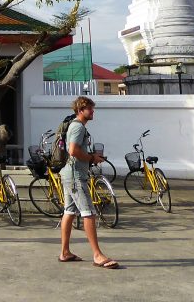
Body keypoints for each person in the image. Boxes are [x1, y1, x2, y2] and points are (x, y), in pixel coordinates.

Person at [58, 96, 119, 269]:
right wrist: (92, 157)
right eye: (90, 109)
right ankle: (97, 255)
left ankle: (65, 252)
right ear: (80, 110)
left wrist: (91, 158)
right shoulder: (77, 127)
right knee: (88, 212)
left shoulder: (75, 126)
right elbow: (73, 150)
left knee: (69, 211)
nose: (93, 111)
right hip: (76, 176)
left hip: (69, 174)